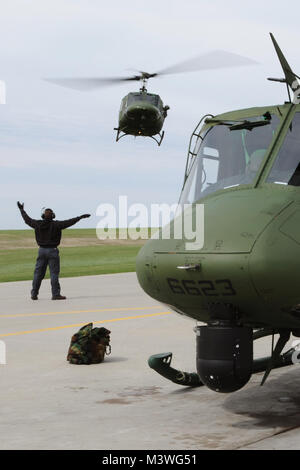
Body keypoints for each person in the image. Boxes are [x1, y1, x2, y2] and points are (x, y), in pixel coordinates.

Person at [17, 202, 91, 300]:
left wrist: (21, 210)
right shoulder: (57, 224)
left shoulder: (37, 224)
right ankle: (55, 294)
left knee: (38, 274)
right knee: (54, 274)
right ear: (53, 216)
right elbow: (69, 222)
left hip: (41, 251)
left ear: (43, 216)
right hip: (53, 251)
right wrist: (80, 217)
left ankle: (34, 294)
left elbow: (27, 219)